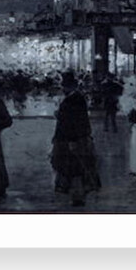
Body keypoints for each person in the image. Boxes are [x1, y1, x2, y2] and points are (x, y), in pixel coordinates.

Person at [50, 72, 101, 206]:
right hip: (75, 138)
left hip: (72, 139)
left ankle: (77, 196)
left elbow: (74, 121)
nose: (63, 89)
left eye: (64, 86)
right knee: (76, 167)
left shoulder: (73, 100)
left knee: (75, 168)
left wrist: (72, 139)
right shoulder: (77, 98)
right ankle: (77, 194)